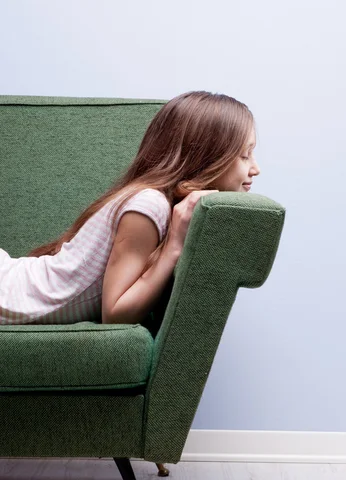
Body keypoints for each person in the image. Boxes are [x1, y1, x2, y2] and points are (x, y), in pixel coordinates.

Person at [0, 90, 260, 326]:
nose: (255, 169)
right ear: (206, 157)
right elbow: (115, 316)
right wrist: (173, 248)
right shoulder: (149, 205)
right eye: (245, 155)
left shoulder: (159, 203)